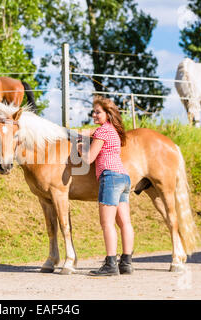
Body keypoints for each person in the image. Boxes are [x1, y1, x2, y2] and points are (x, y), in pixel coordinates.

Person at [77, 96, 134, 276]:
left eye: (98, 112)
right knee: (124, 222)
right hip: (124, 177)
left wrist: (79, 147)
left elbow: (89, 158)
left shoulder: (103, 131)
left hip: (110, 177)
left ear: (107, 114)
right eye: (93, 111)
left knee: (107, 223)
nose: (94, 114)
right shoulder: (113, 131)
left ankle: (110, 264)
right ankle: (126, 262)